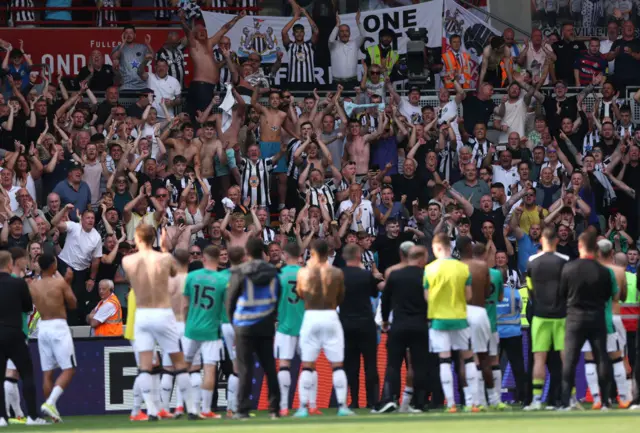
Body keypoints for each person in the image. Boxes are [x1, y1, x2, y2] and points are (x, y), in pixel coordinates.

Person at [122, 224, 198, 420]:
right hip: (163, 313)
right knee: (179, 363)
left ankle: (153, 411)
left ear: (137, 240)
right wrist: (165, 249)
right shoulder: (164, 258)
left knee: (145, 366)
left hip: (142, 314)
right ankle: (190, 408)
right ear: (153, 239)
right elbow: (173, 273)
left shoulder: (127, 260)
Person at [294, 240, 354, 417]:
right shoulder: (336, 272)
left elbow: (300, 294)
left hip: (311, 315)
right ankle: (342, 406)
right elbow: (341, 296)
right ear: (328, 253)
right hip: (330, 315)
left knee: (307, 365)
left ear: (312, 252)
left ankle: (303, 407)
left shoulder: (304, 272)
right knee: (337, 365)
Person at [559, 230, 617, 410]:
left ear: (580, 247)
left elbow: (562, 294)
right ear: (596, 249)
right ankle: (605, 401)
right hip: (597, 318)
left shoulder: (568, 268)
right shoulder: (604, 271)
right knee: (602, 358)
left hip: (575, 319)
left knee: (570, 360)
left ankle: (565, 401)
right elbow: (609, 295)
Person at [226, 237, 281, 419]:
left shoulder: (240, 271)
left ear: (247, 252)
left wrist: (234, 323)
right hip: (265, 324)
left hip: (244, 325)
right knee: (269, 367)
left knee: (245, 368)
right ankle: (275, 408)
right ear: (263, 252)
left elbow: (230, 301)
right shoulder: (273, 272)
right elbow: (278, 297)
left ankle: (243, 409)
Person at [424, 233, 476, 413]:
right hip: (460, 317)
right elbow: (469, 296)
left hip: (439, 320)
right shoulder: (462, 268)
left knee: (444, 360)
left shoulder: (429, 269)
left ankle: (451, 403)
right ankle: (471, 402)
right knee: (467, 359)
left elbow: (427, 297)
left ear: (437, 247)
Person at [377, 245, 429, 413]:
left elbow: (385, 300)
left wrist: (385, 320)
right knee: (419, 364)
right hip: (420, 324)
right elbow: (431, 300)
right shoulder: (426, 275)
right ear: (421, 259)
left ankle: (390, 399)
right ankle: (418, 402)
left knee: (393, 364)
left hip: (398, 324)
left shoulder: (395, 275)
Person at [582, 240, 631, 409]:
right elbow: (619, 296)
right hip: (611, 317)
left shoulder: (585, 272)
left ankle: (596, 399)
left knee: (590, 359)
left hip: (587, 319)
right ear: (611, 253)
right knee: (617, 358)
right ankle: (624, 397)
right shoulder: (616, 271)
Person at [524, 226, 568, 411]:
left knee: (539, 358)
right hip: (561, 316)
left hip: (540, 316)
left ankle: (535, 400)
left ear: (541, 240)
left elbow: (530, 290)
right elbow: (567, 289)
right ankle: (569, 399)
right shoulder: (564, 261)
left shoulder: (531, 262)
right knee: (566, 358)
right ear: (557, 240)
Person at [28, 253, 76, 423]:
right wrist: (68, 283)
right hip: (58, 326)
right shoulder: (60, 282)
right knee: (69, 369)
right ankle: (50, 403)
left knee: (47, 373)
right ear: (53, 265)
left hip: (43, 327)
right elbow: (72, 303)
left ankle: (52, 411)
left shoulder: (33, 285)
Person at [0, 251, 45, 426]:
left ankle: (2, 417)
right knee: (27, 373)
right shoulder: (18, 283)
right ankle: (33, 416)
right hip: (15, 332)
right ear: (9, 264)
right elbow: (28, 307)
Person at [182, 245, 228, 418]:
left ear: (203, 258)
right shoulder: (222, 280)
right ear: (218, 259)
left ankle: (188, 406)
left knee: (185, 367)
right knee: (210, 368)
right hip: (211, 330)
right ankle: (206, 409)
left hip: (191, 328)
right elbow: (225, 307)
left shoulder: (191, 276)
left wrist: (186, 324)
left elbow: (185, 305)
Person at [458, 237, 502, 411]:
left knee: (466, 359)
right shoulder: (486, 269)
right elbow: (488, 294)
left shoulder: (455, 268)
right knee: (486, 359)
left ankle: (471, 401)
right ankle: (493, 399)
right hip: (482, 315)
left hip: (461, 314)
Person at [339, 244, 380, 410]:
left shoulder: (339, 275)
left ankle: (354, 400)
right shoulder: (366, 275)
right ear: (358, 256)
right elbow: (375, 293)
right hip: (366, 324)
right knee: (370, 364)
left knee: (351, 365)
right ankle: (372, 400)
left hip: (346, 324)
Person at [274, 243, 304, 416]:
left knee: (284, 365)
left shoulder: (278, 275)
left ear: (285, 255)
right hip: (304, 325)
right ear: (300, 255)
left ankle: (284, 406)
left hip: (284, 325)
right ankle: (307, 405)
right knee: (308, 366)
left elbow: (273, 299)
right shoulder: (305, 274)